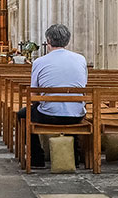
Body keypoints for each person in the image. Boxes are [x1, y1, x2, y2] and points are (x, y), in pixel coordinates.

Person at [17, 23, 87, 168]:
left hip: (50, 116)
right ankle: (73, 156)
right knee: (70, 109)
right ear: (67, 41)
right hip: (76, 115)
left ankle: (37, 158)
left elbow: (34, 92)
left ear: (48, 41)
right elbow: (82, 85)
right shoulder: (81, 59)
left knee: (23, 114)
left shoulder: (40, 62)